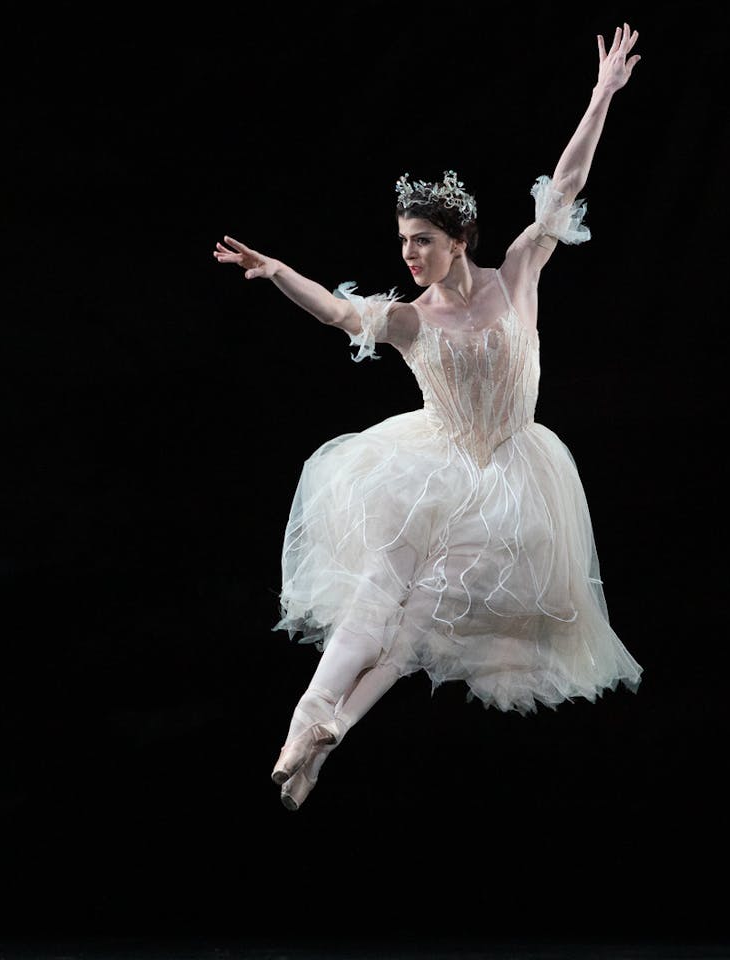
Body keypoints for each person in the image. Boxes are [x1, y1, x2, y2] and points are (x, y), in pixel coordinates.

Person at [214, 23, 645, 811]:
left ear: (458, 242)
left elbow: (567, 182)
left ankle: (332, 729)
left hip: (513, 479)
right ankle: (313, 719)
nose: (409, 256)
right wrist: (276, 270)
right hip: (431, 470)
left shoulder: (517, 274)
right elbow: (339, 315)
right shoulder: (412, 320)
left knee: (417, 625)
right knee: (380, 591)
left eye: (422, 242)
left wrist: (600, 95)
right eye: (404, 243)